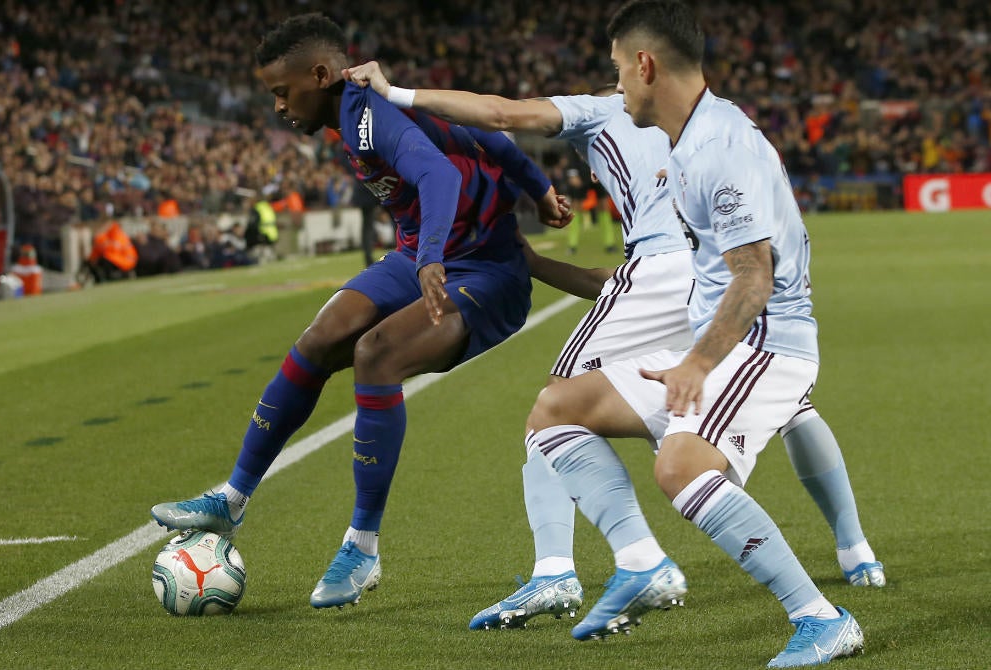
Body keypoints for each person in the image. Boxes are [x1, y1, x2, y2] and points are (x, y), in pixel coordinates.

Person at [344, 48, 883, 641]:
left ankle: (567, 567)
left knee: (557, 402)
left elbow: (498, 115)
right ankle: (855, 549)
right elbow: (629, 277)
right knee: (787, 406)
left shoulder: (599, 111)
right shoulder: (710, 129)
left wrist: (395, 94)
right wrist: (538, 261)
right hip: (703, 281)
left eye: (623, 70)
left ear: (638, 71)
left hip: (669, 271)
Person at [150, 12, 571, 612]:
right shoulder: (362, 108)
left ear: (320, 75)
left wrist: (438, 251)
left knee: (377, 354)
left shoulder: (367, 118)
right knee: (322, 338)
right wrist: (536, 188)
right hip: (418, 253)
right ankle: (232, 499)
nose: (277, 107)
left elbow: (435, 177)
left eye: (281, 91)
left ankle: (362, 546)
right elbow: (491, 140)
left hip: (485, 270)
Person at [608, 2, 863, 666]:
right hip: (745, 340)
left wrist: (696, 362)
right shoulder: (694, 140)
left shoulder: (720, 146)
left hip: (768, 344)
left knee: (680, 467)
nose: (616, 87)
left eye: (616, 70)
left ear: (645, 64)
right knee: (573, 409)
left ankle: (820, 617)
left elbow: (754, 277)